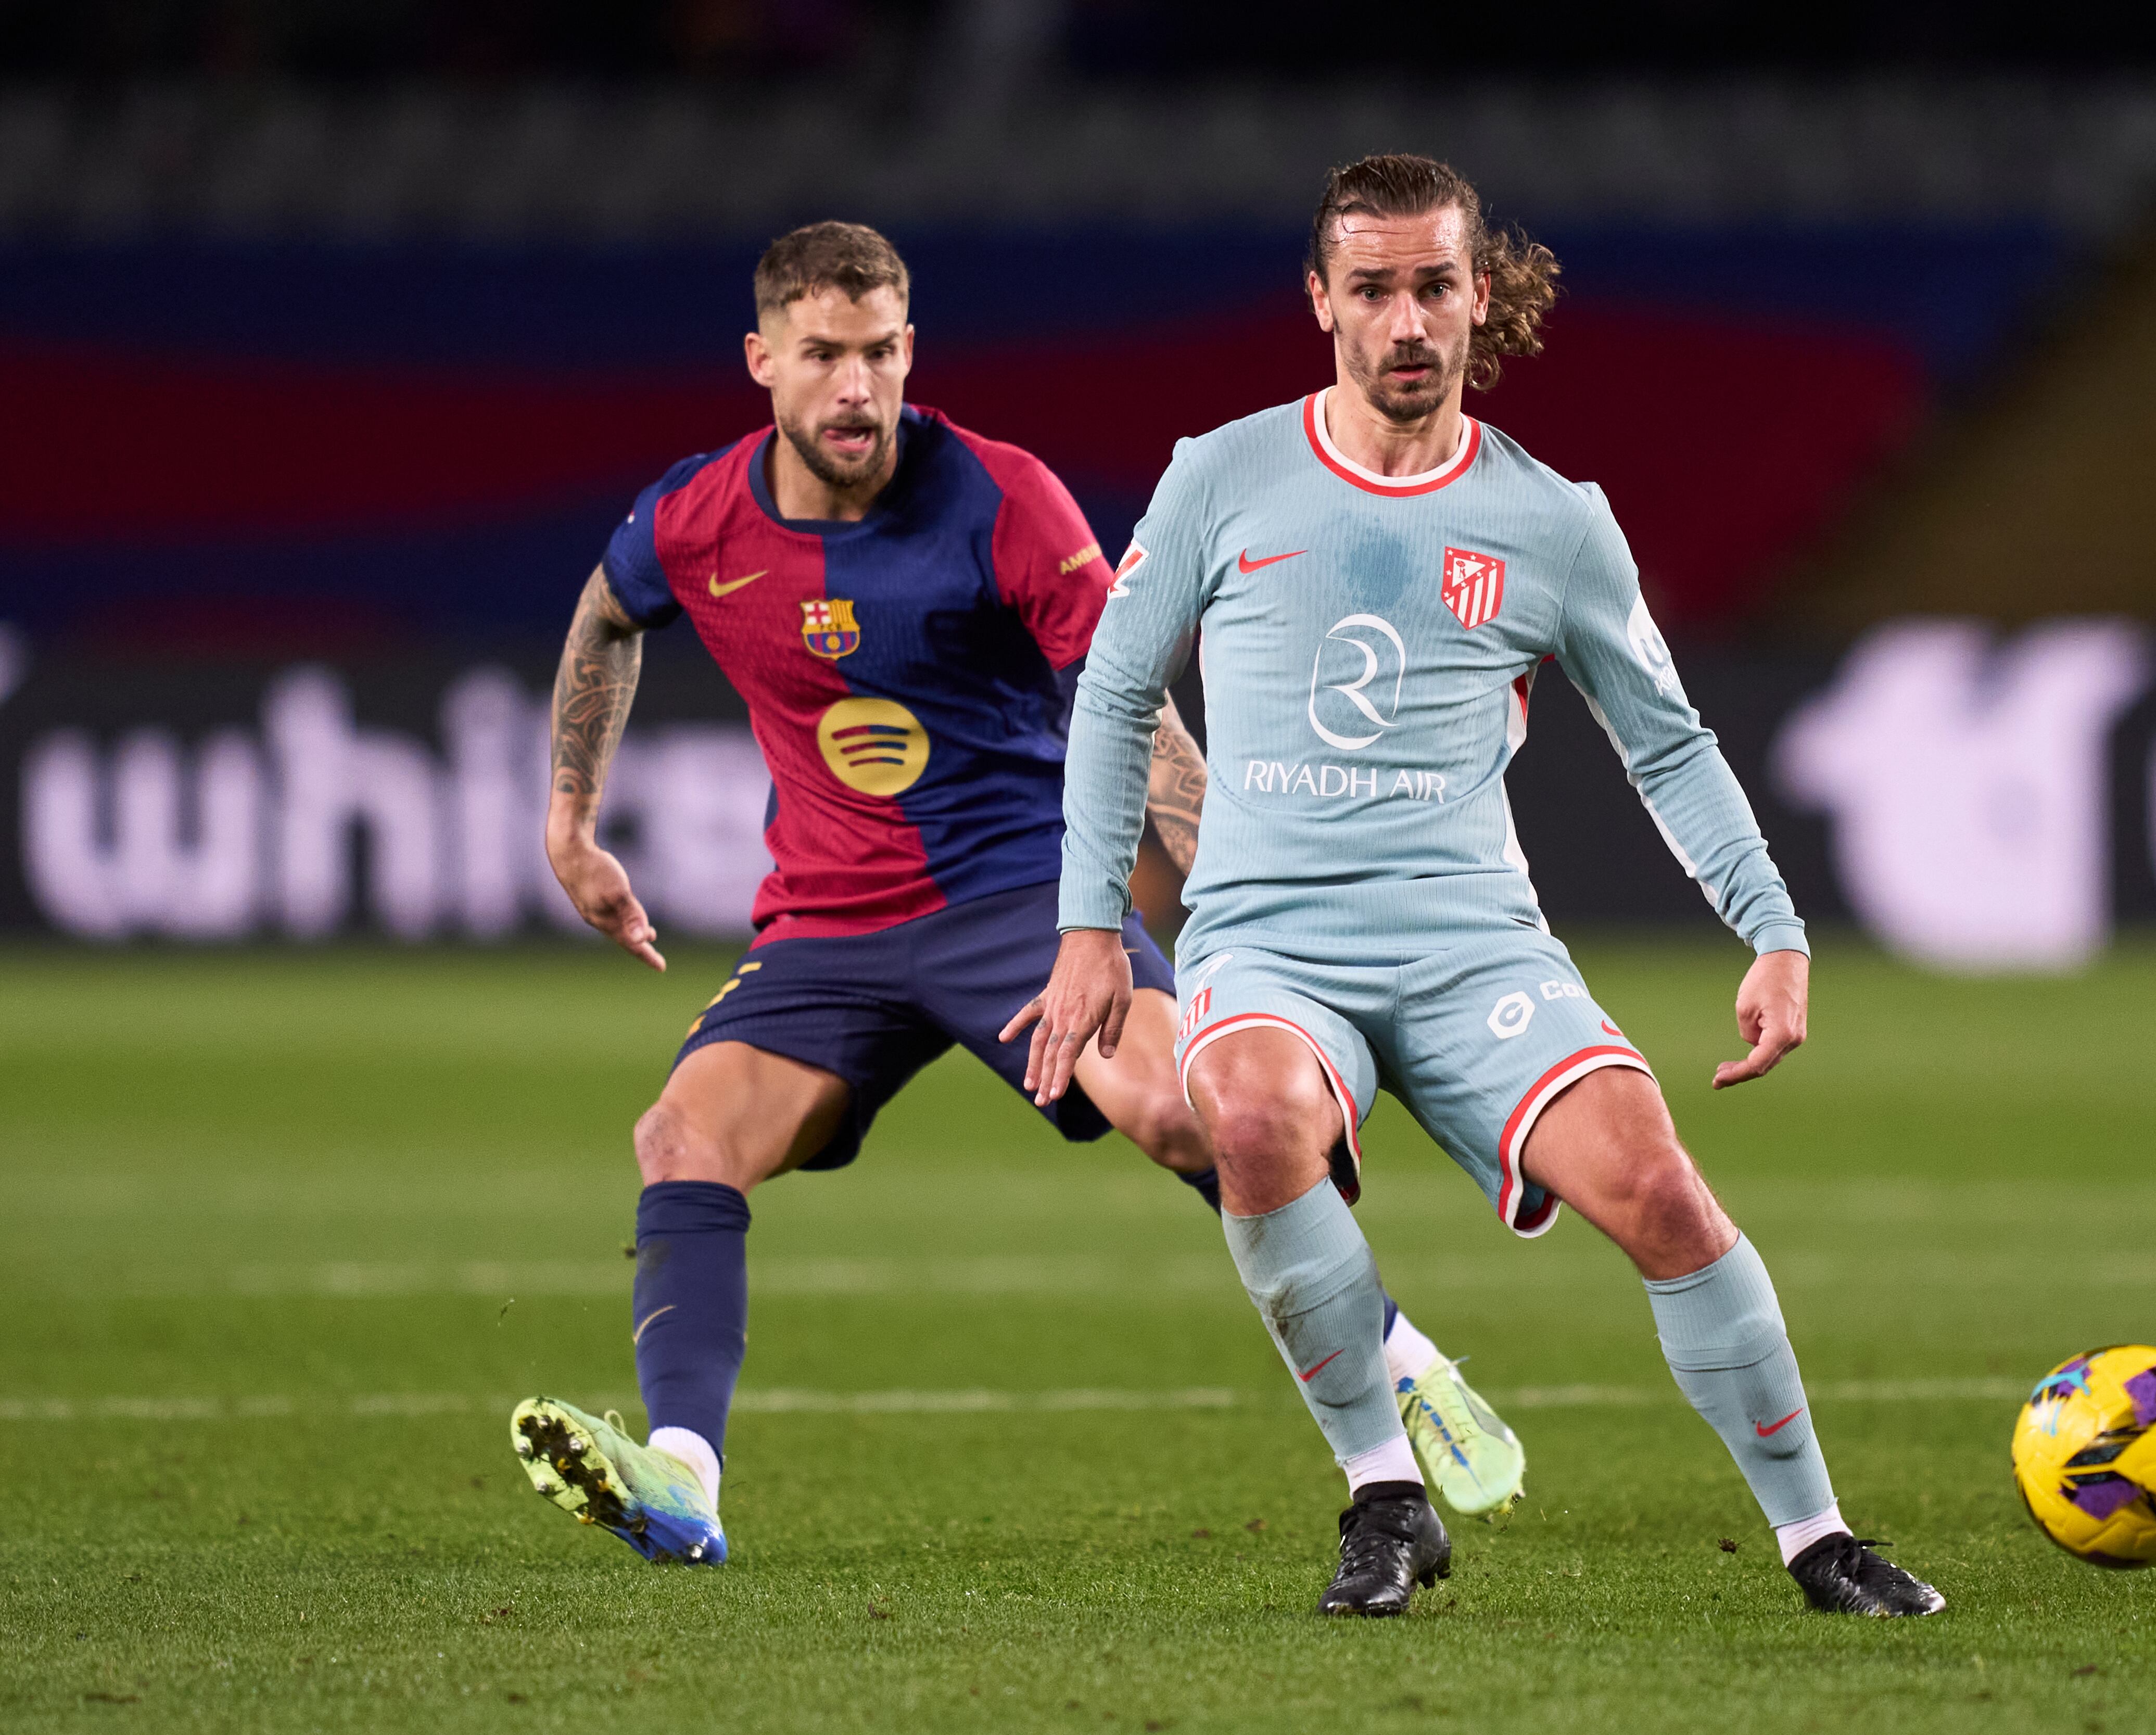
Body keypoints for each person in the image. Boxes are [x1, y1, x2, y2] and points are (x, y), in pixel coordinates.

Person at [508, 221, 1525, 1566]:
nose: (856, 388)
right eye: (823, 356)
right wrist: (570, 821)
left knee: (1189, 1112)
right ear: (762, 361)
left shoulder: (1001, 498)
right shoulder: (699, 517)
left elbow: (1128, 707)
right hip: (828, 928)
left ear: (910, 350)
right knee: (681, 1138)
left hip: (1020, 904)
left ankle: (1404, 1361)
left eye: (881, 353)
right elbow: (606, 611)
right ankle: (684, 1479)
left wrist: (1252, 893)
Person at [1015, 157, 1947, 1619]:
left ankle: (1818, 1539)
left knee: (1662, 1193)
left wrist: (1774, 928)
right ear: (1321, 301)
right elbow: (1116, 693)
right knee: (1248, 1117)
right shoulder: (1220, 477)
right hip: (1271, 942)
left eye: (1434, 287)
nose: (1406, 323)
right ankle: (1385, 1498)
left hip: (1474, 949)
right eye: (1373, 289)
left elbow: (1668, 743)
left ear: (1479, 294)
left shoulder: (1554, 521)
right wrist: (1091, 927)